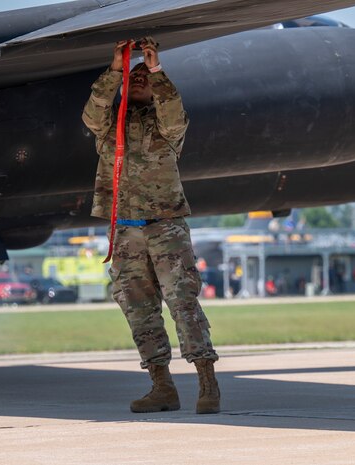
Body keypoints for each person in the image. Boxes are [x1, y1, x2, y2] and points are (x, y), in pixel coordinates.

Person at [82, 38, 220, 414]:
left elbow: (173, 113)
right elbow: (93, 114)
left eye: (144, 76)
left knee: (182, 302)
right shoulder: (111, 128)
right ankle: (162, 386)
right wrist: (114, 69)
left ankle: (207, 383)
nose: (138, 78)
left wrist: (156, 69)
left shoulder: (167, 128)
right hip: (126, 229)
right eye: (134, 75)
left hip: (165, 226)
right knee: (137, 308)